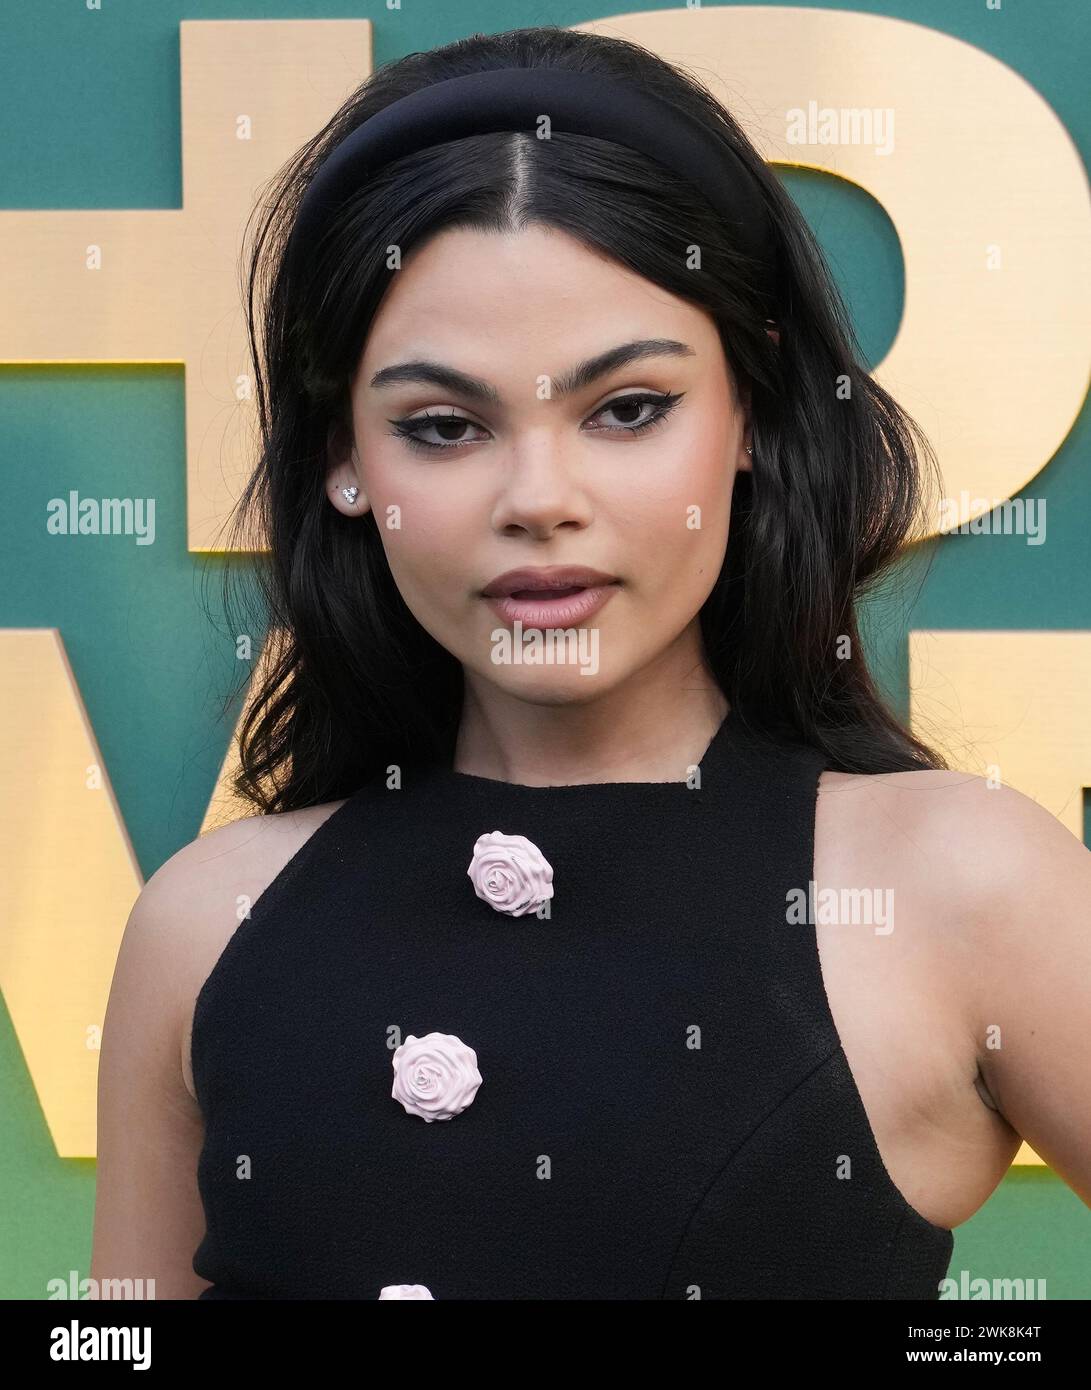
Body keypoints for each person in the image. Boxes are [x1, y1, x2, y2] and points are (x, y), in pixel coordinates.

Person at [90, 25, 1091, 1300]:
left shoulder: (958, 883)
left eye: (626, 409)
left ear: (752, 413)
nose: (538, 498)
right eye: (443, 427)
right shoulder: (201, 921)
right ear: (344, 455)